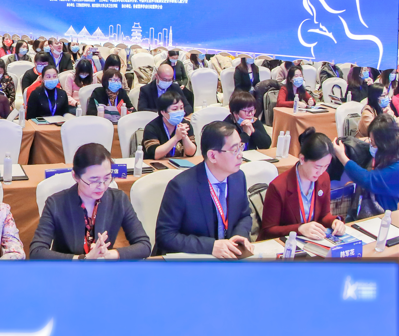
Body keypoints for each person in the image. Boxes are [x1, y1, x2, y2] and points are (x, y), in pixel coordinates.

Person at [31, 143, 151, 259]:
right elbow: (37, 252)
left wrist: (109, 255)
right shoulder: (56, 203)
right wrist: (83, 259)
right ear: (75, 176)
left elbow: (144, 245)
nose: (102, 186)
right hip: (69, 269)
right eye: (94, 180)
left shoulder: (119, 200)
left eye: (107, 178)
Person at [155, 121, 254, 257]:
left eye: (240, 147)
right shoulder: (181, 187)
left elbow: (245, 215)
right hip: (194, 259)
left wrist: (239, 236)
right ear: (212, 156)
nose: (240, 154)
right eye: (234, 149)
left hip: (227, 258)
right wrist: (211, 246)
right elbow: (165, 236)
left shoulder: (238, 177)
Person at [260, 128, 347, 240]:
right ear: (302, 158)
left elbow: (324, 215)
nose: (321, 172)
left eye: (326, 166)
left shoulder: (324, 178)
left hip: (311, 240)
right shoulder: (278, 186)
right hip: (285, 242)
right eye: (317, 167)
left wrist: (334, 221)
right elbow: (269, 230)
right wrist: (299, 229)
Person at [333, 114, 399, 211]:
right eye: (370, 141)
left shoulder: (396, 168)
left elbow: (368, 179)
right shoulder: (386, 157)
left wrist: (342, 157)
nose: (371, 145)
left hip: (383, 215)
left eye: (373, 143)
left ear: (384, 145)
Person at [142, 91, 197, 160]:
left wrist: (184, 136)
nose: (179, 112)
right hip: (155, 164)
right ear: (163, 112)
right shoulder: (152, 127)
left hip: (179, 163)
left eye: (181, 108)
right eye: (174, 109)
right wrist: (176, 137)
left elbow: (191, 153)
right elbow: (155, 154)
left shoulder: (186, 124)